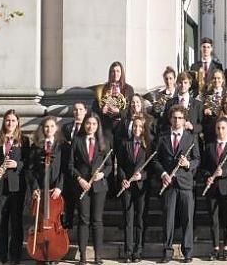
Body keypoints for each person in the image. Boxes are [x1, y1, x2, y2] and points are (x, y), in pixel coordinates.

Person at [152, 106, 201, 263]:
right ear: (170, 119)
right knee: (168, 219)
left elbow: (197, 159)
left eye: (180, 118)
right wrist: (163, 173)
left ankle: (187, 252)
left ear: (185, 120)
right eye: (174, 117)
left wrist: (188, 164)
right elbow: (155, 160)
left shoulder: (191, 137)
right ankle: (167, 252)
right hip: (169, 184)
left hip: (186, 183)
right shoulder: (162, 137)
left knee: (187, 219)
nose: (177, 120)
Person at [69, 113, 113, 265]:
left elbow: (109, 165)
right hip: (82, 186)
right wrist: (79, 179)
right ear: (84, 124)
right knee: (83, 220)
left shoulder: (104, 141)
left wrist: (102, 174)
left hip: (99, 187)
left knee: (97, 220)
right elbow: (70, 165)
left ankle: (98, 256)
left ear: (98, 126)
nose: (91, 127)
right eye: (88, 123)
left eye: (94, 124)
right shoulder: (77, 140)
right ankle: (82, 257)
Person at [0, 110, 27, 265]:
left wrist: (18, 164)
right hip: (0, 187)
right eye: (7, 120)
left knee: (16, 222)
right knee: (1, 223)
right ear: (4, 122)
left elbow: (28, 161)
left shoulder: (24, 140)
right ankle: (1, 256)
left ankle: (15, 256)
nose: (10, 123)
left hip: (16, 187)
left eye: (13, 120)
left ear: (18, 122)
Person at [202, 118, 227, 261]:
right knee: (214, 220)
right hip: (212, 188)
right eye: (218, 128)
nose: (220, 131)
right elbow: (204, 168)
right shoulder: (209, 146)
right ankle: (215, 248)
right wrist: (207, 177)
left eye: (223, 128)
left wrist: (223, 173)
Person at [26, 117, 65, 261]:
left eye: (52, 126)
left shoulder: (62, 146)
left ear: (56, 128)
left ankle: (55, 251)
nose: (49, 129)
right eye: (46, 127)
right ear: (42, 129)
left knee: (55, 219)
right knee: (40, 218)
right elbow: (30, 170)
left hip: (55, 191)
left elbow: (64, 170)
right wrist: (35, 188)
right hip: (41, 191)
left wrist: (59, 187)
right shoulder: (36, 147)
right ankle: (39, 252)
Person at [116, 115, 154, 263]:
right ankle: (128, 250)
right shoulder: (125, 144)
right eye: (135, 126)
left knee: (140, 219)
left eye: (140, 126)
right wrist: (123, 179)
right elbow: (120, 165)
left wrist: (142, 176)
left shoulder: (148, 145)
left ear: (143, 128)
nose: (137, 129)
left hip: (142, 187)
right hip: (128, 187)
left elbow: (151, 169)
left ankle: (138, 250)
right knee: (128, 219)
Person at [61, 102, 87, 229]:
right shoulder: (66, 128)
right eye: (75, 110)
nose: (78, 112)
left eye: (81, 109)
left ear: (85, 111)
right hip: (69, 168)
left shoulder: (89, 127)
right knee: (68, 200)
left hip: (83, 170)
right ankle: (68, 225)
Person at [93, 61, 135, 141]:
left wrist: (119, 111)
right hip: (106, 125)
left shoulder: (129, 89)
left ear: (121, 73)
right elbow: (94, 108)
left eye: (118, 71)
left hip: (122, 125)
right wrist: (102, 110)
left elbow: (131, 108)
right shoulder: (103, 89)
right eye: (113, 71)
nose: (115, 74)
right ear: (110, 73)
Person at [160, 72, 204, 139]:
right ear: (177, 84)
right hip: (174, 140)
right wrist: (174, 126)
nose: (183, 85)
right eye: (180, 82)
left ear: (189, 84)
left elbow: (202, 125)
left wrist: (192, 127)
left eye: (185, 82)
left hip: (192, 142)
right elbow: (164, 124)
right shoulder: (170, 103)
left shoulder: (198, 104)